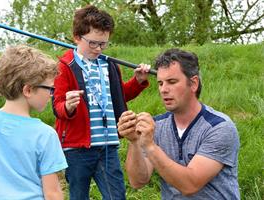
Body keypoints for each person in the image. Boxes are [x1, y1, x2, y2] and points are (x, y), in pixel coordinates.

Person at [52, 5, 150, 200]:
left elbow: (120, 96)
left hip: (108, 146)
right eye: (93, 43)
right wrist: (69, 106)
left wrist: (138, 81)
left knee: (116, 196)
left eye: (103, 44)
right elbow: (57, 106)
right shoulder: (64, 66)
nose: (98, 49)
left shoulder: (109, 65)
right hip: (77, 148)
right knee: (79, 196)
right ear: (77, 37)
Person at [117, 48, 240, 199]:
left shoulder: (219, 127)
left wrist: (149, 146)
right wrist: (135, 142)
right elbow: (138, 181)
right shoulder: (158, 125)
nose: (163, 90)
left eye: (172, 82)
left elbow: (190, 185)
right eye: (160, 83)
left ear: (193, 83)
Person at [0, 45, 68, 200]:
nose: (52, 95)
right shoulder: (45, 134)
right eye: (50, 89)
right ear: (28, 90)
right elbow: (53, 193)